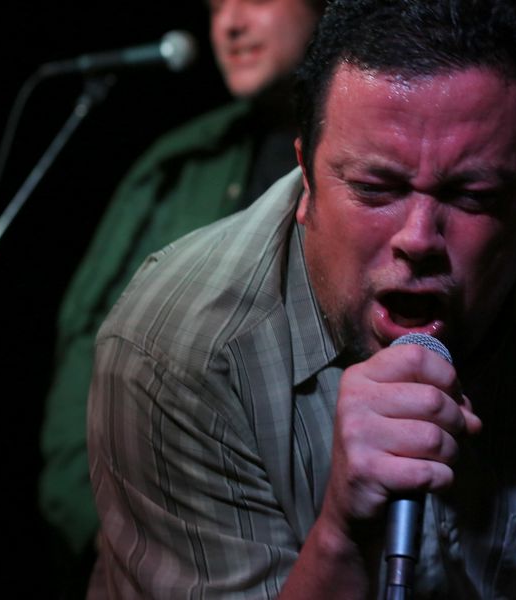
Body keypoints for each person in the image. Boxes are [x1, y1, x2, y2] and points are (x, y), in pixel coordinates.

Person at [88, 0, 516, 597]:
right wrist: (341, 536)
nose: (418, 239)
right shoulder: (175, 346)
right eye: (375, 188)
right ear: (306, 179)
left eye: (473, 196)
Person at [38, 0, 326, 576]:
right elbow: (87, 344)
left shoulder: (372, 165)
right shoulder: (178, 167)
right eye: (216, 7)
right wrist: (98, 524)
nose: (230, 24)